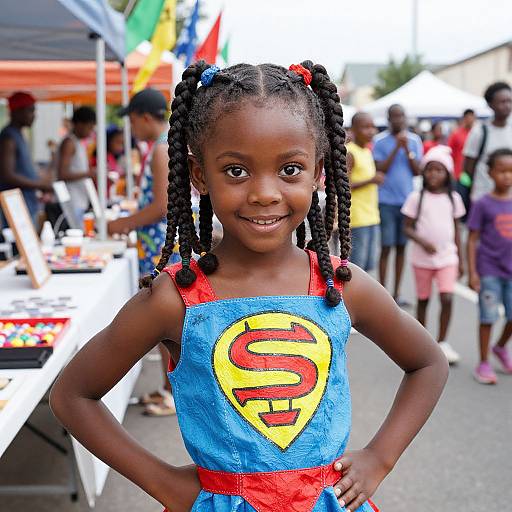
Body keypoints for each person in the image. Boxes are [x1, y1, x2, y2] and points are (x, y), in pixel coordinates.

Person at [50, 61, 448, 512]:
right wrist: (162, 482)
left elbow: (428, 362)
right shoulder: (174, 299)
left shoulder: (340, 285)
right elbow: (72, 394)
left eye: (290, 169)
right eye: (236, 171)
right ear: (199, 176)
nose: (264, 193)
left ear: (319, 172)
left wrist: (380, 458)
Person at [108, 88, 177, 416]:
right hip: (164, 243)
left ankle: (172, 394)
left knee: (166, 320)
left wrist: (119, 224)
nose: (131, 127)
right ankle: (168, 388)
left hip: (164, 245)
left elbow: (162, 207)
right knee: (167, 320)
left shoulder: (162, 149)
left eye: (133, 119)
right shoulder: (166, 145)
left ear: (145, 117)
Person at [402, 146, 465, 364]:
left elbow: (457, 229)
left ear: (447, 173)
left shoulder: (453, 198)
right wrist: (423, 242)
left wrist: (462, 259)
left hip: (448, 257)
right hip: (422, 258)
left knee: (447, 297)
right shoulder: (416, 197)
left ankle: (443, 341)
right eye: (429, 170)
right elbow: (407, 227)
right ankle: (423, 340)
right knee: (423, 299)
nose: (433, 175)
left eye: (439, 170)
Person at [467, 148, 512, 384]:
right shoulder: (483, 203)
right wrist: (473, 272)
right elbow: (473, 238)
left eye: (511, 171)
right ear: (490, 172)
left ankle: (501, 347)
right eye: (502, 171)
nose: (507, 176)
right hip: (490, 270)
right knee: (488, 316)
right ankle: (483, 362)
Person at [373, 104, 423, 305]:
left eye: (401, 116)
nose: (398, 120)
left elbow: (417, 171)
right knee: (386, 247)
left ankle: (396, 293)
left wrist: (407, 150)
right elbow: (380, 168)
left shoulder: (414, 140)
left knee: (402, 247)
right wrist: (396, 148)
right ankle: (383, 294)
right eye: (394, 117)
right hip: (386, 201)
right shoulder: (380, 141)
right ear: (388, 119)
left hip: (407, 203)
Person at [0, 92, 52, 227]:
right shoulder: (8, 138)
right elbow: (7, 175)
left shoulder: (18, 134)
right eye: (31, 110)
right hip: (16, 207)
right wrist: (39, 185)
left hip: (27, 203)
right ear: (17, 111)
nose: (34, 115)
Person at [462, 82, 512, 203]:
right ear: (491, 105)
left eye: (509, 101)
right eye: (502, 102)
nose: (507, 105)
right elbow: (468, 166)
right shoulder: (479, 131)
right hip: (483, 196)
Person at [346, 112, 383, 271]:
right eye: (365, 127)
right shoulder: (350, 152)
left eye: (372, 127)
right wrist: (371, 180)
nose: (371, 131)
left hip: (372, 216)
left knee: (368, 266)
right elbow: (344, 185)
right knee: (356, 268)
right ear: (353, 129)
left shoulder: (367, 151)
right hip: (357, 218)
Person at [57, 107, 96, 224]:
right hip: (71, 200)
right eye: (89, 127)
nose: (91, 131)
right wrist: (89, 173)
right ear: (79, 124)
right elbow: (62, 174)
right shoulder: (69, 142)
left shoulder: (78, 142)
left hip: (79, 199)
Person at [447, 109, 475, 180]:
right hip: (459, 174)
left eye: (472, 117)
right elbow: (449, 153)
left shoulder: (477, 134)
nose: (470, 120)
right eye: (468, 117)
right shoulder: (456, 134)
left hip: (474, 173)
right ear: (464, 119)